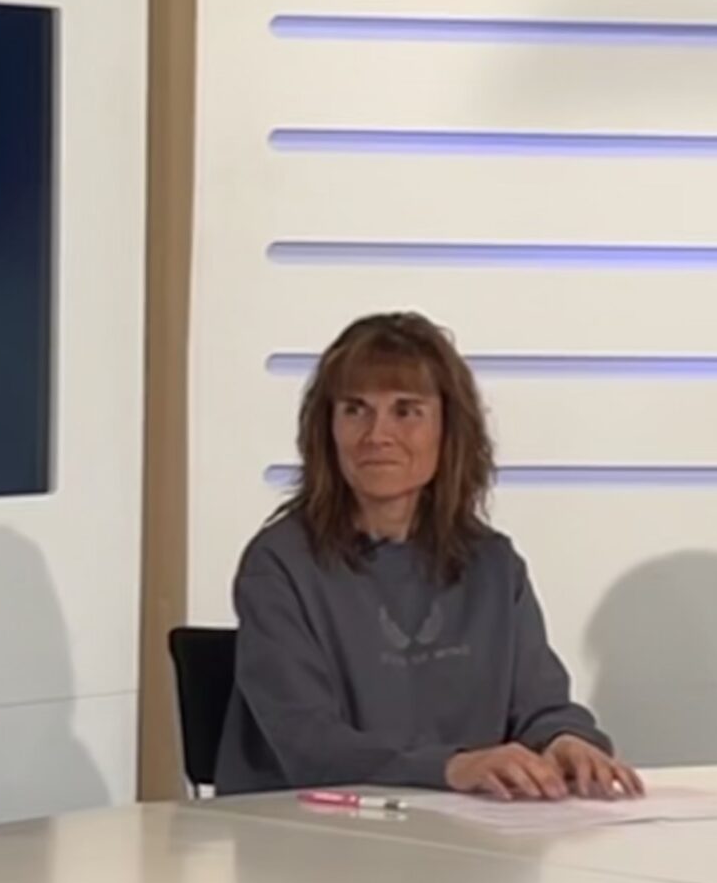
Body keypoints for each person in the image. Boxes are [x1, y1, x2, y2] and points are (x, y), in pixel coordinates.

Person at [216, 309, 641, 799]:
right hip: (310, 829)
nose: (377, 435)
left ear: (449, 429)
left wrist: (566, 739)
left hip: (461, 829)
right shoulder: (279, 564)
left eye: (406, 411)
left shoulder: (493, 564)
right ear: (326, 430)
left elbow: (540, 705)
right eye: (355, 409)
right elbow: (309, 745)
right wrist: (452, 768)